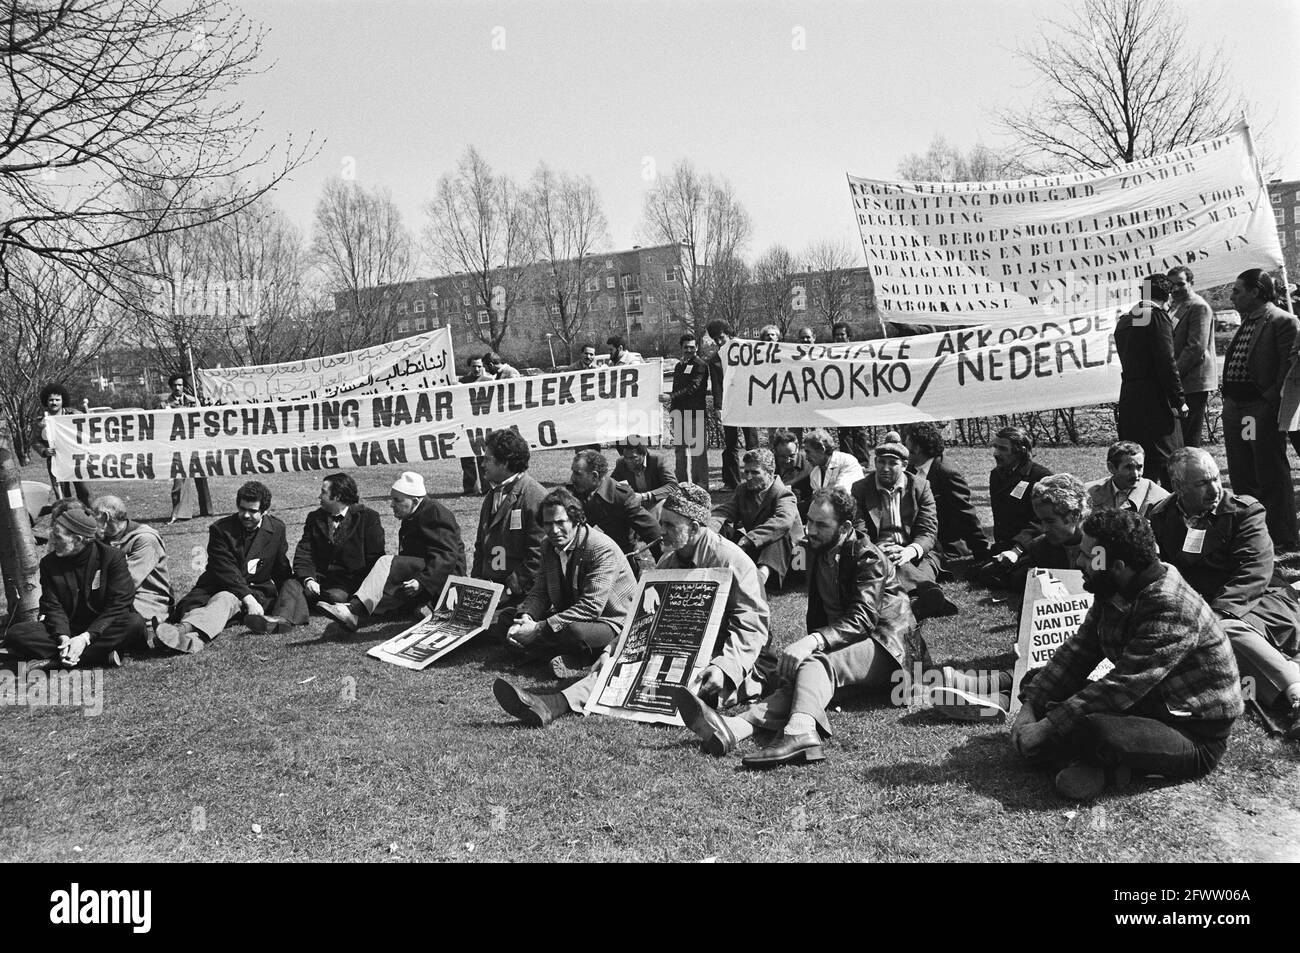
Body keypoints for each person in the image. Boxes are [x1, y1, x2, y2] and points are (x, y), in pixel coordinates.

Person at [680, 487, 925, 767]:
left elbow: (863, 619)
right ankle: (736, 728)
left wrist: (812, 641)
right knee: (801, 680)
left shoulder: (867, 557)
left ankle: (801, 734)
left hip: (890, 647)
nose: (810, 529)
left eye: (821, 524)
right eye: (808, 521)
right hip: (854, 646)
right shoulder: (819, 550)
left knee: (815, 664)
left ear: (845, 528)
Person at [494, 483, 774, 728]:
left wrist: (726, 666)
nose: (660, 531)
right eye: (661, 522)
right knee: (619, 668)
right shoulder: (668, 561)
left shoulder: (733, 562)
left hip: (729, 649)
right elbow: (642, 618)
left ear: (695, 528)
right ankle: (552, 704)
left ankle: (705, 707)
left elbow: (752, 626)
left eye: (669, 525)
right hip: (677, 644)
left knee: (701, 682)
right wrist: (611, 650)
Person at [1012, 508, 1243, 800]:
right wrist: (1031, 706)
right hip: (1148, 704)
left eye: (1088, 556)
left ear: (1118, 565)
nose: (1079, 561)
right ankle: (1093, 763)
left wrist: (1046, 726)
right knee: (1037, 680)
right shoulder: (1111, 585)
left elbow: (1123, 686)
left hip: (1192, 732)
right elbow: (1078, 651)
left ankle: (1101, 765)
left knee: (1092, 729)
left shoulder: (1170, 605)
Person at [1146, 448, 1300, 740]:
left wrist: (1216, 615)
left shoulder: (1244, 511)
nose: (1214, 489)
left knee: (1223, 632)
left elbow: (1254, 570)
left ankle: (1296, 694)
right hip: (1198, 610)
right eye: (1202, 483)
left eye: (1216, 478)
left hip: (1259, 600)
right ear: (1178, 487)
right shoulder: (1161, 516)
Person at [496, 487, 638, 670]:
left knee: (575, 632)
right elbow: (540, 592)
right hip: (570, 615)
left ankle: (542, 653)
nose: (554, 530)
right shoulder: (548, 545)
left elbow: (591, 607)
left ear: (576, 520)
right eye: (548, 524)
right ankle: (560, 656)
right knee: (508, 618)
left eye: (560, 522)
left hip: (609, 622)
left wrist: (538, 628)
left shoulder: (601, 548)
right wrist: (526, 617)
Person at [152, 482, 292, 652]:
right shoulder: (221, 529)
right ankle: (191, 638)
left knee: (225, 599)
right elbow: (225, 569)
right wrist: (248, 599)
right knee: (210, 602)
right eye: (242, 509)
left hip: (255, 590)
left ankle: (181, 631)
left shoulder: (277, 528)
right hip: (218, 585)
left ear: (265, 511)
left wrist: (289, 600)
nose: (246, 515)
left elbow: (281, 569)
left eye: (253, 511)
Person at [318, 472, 466, 631]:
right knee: (378, 599)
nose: (391, 504)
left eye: (397, 500)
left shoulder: (435, 513)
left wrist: (422, 581)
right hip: (425, 576)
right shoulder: (414, 515)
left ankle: (353, 610)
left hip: (443, 579)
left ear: (414, 501)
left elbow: (447, 556)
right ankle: (358, 613)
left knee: (386, 562)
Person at [3, 503, 146, 668]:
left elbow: (119, 604)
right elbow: (52, 606)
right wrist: (64, 637)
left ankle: (55, 661)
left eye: (58, 537)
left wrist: (85, 638)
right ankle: (98, 656)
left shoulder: (112, 558)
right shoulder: (49, 563)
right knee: (17, 632)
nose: (52, 542)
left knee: (134, 623)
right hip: (70, 627)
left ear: (78, 540)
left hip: (102, 627)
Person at [1222, 269, 1298, 549]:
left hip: (1257, 408)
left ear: (1256, 291)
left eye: (1237, 291)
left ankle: (1282, 536)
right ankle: (1253, 534)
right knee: (1243, 473)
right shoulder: (1248, 321)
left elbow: (1287, 369)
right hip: (1237, 408)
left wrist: (1268, 402)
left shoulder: (1282, 321)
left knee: (1268, 471)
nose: (1232, 297)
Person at [851, 431, 955, 618]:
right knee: (888, 563)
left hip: (916, 551)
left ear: (905, 464)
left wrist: (910, 551)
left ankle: (911, 600)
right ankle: (928, 592)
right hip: (879, 551)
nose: (885, 468)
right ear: (875, 463)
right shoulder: (861, 488)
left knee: (921, 563)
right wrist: (879, 550)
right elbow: (860, 531)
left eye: (893, 463)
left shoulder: (921, 486)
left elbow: (928, 530)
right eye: (881, 462)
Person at [277, 473, 386, 627]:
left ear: (337, 496)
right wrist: (308, 579)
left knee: (336, 596)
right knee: (290, 584)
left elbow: (375, 559)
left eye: (323, 492)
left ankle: (314, 604)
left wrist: (361, 593)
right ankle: (283, 620)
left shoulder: (368, 518)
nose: (319, 496)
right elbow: (304, 552)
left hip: (347, 585)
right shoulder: (314, 518)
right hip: (317, 580)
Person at [1114, 274, 1186, 486]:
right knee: (1166, 461)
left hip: (1131, 396)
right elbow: (1166, 362)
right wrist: (1179, 399)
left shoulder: (1127, 319)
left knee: (1140, 461)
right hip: (1155, 400)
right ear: (1168, 295)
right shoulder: (1156, 316)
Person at [472, 429, 547, 632]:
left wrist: (510, 587)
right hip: (492, 588)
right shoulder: (493, 494)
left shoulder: (534, 497)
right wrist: (477, 585)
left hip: (519, 594)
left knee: (490, 627)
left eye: (487, 459)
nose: (482, 464)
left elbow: (538, 555)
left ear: (504, 463)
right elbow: (481, 545)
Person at [709, 448, 803, 589]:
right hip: (756, 548)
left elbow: (783, 521)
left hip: (789, 558)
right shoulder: (743, 490)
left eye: (755, 472)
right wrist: (707, 531)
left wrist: (749, 538)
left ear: (770, 473)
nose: (748, 477)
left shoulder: (784, 494)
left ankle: (759, 581)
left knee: (779, 534)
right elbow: (724, 511)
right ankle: (716, 572)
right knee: (724, 530)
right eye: (746, 472)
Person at [978, 474, 1089, 592]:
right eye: (1041, 521)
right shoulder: (1040, 548)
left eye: (1050, 521)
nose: (1044, 528)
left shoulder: (1102, 544)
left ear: (1074, 515)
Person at [905, 423, 990, 561]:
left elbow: (965, 513)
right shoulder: (911, 468)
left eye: (907, 445)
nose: (904, 450)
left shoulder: (946, 472)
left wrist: (981, 550)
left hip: (945, 544)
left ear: (917, 448)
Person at [568, 449, 661, 573]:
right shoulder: (577, 491)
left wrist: (664, 567)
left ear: (595, 476)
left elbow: (652, 531)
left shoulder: (620, 497)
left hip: (623, 559)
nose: (572, 478)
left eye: (577, 473)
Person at [91, 495, 173, 625]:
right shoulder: (103, 539)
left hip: (146, 600)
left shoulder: (145, 539)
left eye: (94, 517)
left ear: (105, 517)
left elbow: (126, 582)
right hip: (115, 596)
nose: (91, 522)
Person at [984, 425, 1052, 559]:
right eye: (995, 447)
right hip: (1004, 547)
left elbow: (1041, 522)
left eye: (1003, 449)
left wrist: (1017, 550)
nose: (995, 453)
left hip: (1030, 548)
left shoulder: (1040, 477)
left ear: (1020, 451)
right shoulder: (996, 475)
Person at [705, 320, 758, 489]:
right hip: (729, 406)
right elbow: (717, 386)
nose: (719, 342)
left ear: (729, 334)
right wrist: (718, 407)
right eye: (715, 340)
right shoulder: (714, 360)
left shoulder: (746, 351)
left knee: (752, 443)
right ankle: (732, 482)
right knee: (731, 445)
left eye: (721, 337)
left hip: (747, 404)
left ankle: (758, 476)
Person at [1168, 267, 1216, 449]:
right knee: (1179, 436)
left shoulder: (1199, 306)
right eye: (1171, 285)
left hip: (1193, 381)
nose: (1175, 289)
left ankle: (1191, 475)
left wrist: (1173, 377)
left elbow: (1195, 347)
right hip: (1181, 381)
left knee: (1189, 437)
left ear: (1191, 283)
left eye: (1180, 284)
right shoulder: (1174, 306)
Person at [160, 374, 212, 521]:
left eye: (180, 385)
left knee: (201, 477)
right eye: (175, 385)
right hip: (177, 447)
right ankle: (180, 513)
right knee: (179, 480)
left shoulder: (193, 401)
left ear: (184, 386)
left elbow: (203, 421)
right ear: (170, 387)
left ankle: (207, 510)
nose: (178, 388)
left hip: (194, 444)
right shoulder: (164, 405)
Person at [29, 383, 90, 505]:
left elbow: (88, 424)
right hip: (55, 462)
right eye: (51, 400)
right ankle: (67, 518)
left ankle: (89, 517)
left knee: (84, 491)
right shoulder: (42, 421)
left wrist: (86, 410)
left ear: (63, 400)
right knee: (62, 494)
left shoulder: (73, 414)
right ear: (46, 401)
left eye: (57, 399)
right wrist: (44, 451)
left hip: (75, 459)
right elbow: (35, 441)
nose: (54, 403)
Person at [665, 332, 710, 487]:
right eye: (686, 347)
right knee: (680, 452)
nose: (689, 350)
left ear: (696, 347)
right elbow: (677, 387)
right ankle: (682, 484)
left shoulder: (701, 365)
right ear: (681, 348)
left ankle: (701, 485)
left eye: (692, 347)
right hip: (679, 414)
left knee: (698, 452)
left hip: (695, 413)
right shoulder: (679, 366)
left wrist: (670, 397)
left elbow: (693, 388)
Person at [1083, 440, 1170, 516]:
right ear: (1111, 468)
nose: (1135, 474)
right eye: (1128, 467)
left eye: (1139, 467)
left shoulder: (1160, 499)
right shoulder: (1088, 493)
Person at [830, 322, 869, 463]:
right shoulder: (829, 354)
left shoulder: (857, 352)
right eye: (837, 335)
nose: (839, 337)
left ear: (848, 337)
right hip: (840, 396)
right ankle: (849, 461)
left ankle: (863, 460)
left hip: (857, 394)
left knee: (859, 429)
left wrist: (869, 387)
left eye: (842, 334)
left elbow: (866, 371)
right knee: (843, 431)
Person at [611, 440, 677, 513]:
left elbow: (672, 486)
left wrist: (645, 496)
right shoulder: (621, 462)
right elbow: (612, 484)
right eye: (625, 457)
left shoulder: (658, 460)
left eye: (633, 458)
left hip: (657, 501)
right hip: (635, 505)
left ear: (643, 454)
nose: (628, 461)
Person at [459, 357, 491, 494]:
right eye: (473, 366)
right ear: (469, 367)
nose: (476, 369)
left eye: (479, 366)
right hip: (466, 423)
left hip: (483, 423)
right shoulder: (461, 382)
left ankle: (487, 487)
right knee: (467, 458)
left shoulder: (490, 381)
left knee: (483, 457)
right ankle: (470, 488)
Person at [802, 428, 864, 497]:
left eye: (808, 452)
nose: (806, 458)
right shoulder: (815, 473)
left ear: (822, 449)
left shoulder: (847, 461)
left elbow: (841, 494)